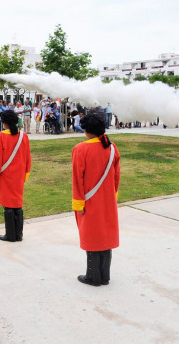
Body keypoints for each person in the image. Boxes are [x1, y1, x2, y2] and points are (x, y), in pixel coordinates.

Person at [72, 113, 120, 286]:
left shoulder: (80, 149)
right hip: (107, 200)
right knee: (105, 236)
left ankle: (93, 277)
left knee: (92, 236)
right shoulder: (112, 147)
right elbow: (116, 177)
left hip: (89, 200)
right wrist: (112, 197)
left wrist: (78, 203)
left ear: (87, 130)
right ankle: (104, 275)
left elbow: (78, 180)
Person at [0, 110, 31, 242]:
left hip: (5, 176)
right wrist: (26, 174)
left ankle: (10, 235)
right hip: (18, 175)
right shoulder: (23, 136)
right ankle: (18, 234)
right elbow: (27, 157)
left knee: (8, 205)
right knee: (17, 204)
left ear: (4, 123)